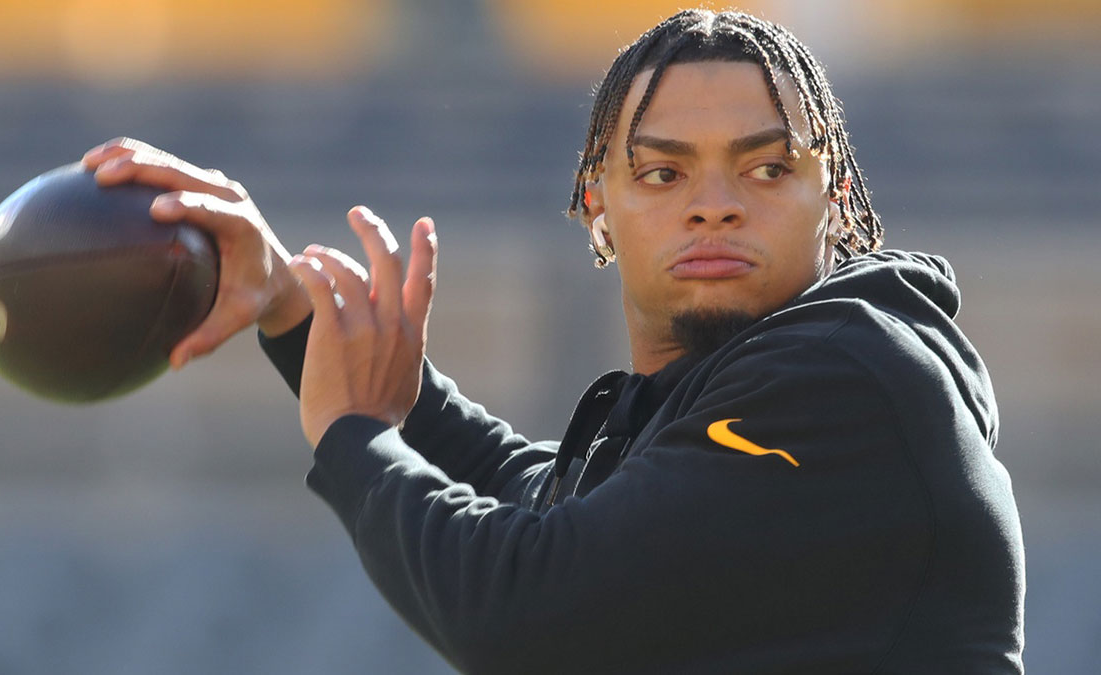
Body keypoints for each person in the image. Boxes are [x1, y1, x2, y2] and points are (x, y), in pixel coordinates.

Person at [82, 9, 1024, 673]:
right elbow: (547, 503)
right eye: (661, 173)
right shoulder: (714, 412)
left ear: (838, 199)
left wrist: (355, 437)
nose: (714, 202)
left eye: (768, 166)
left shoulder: (851, 378)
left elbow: (527, 611)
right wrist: (292, 308)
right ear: (596, 205)